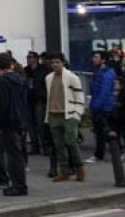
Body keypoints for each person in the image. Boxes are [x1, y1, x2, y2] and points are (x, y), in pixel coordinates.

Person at [44, 52, 86, 183]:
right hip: (54, 114)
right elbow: (49, 97)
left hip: (69, 115)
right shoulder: (48, 78)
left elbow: (79, 96)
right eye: (53, 63)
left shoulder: (72, 77)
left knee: (71, 142)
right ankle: (64, 171)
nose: (55, 65)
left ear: (63, 63)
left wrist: (77, 114)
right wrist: (48, 116)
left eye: (57, 62)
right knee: (58, 146)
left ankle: (80, 168)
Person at [0, 53, 29, 196]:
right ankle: (20, 183)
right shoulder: (19, 79)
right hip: (20, 119)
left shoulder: (3, 81)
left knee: (12, 155)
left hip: (9, 121)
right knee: (17, 153)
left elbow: (2, 105)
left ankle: (18, 185)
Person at [86, 51, 117, 163]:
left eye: (96, 57)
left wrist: (95, 106)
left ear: (103, 60)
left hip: (103, 107)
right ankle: (103, 153)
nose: (93, 59)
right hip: (100, 106)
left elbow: (104, 93)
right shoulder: (99, 73)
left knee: (102, 132)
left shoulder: (106, 74)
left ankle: (101, 154)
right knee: (100, 132)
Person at [25, 51, 50, 155]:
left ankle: (45, 146)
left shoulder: (43, 70)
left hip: (39, 99)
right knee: (30, 125)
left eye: (31, 57)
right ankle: (34, 146)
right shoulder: (26, 70)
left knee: (40, 124)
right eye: (28, 57)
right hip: (28, 100)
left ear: (36, 59)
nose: (29, 59)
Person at [112, 77, 125, 160]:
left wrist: (121, 104)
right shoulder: (113, 93)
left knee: (123, 131)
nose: (115, 85)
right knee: (116, 132)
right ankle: (119, 146)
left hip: (123, 115)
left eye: (117, 83)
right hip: (115, 115)